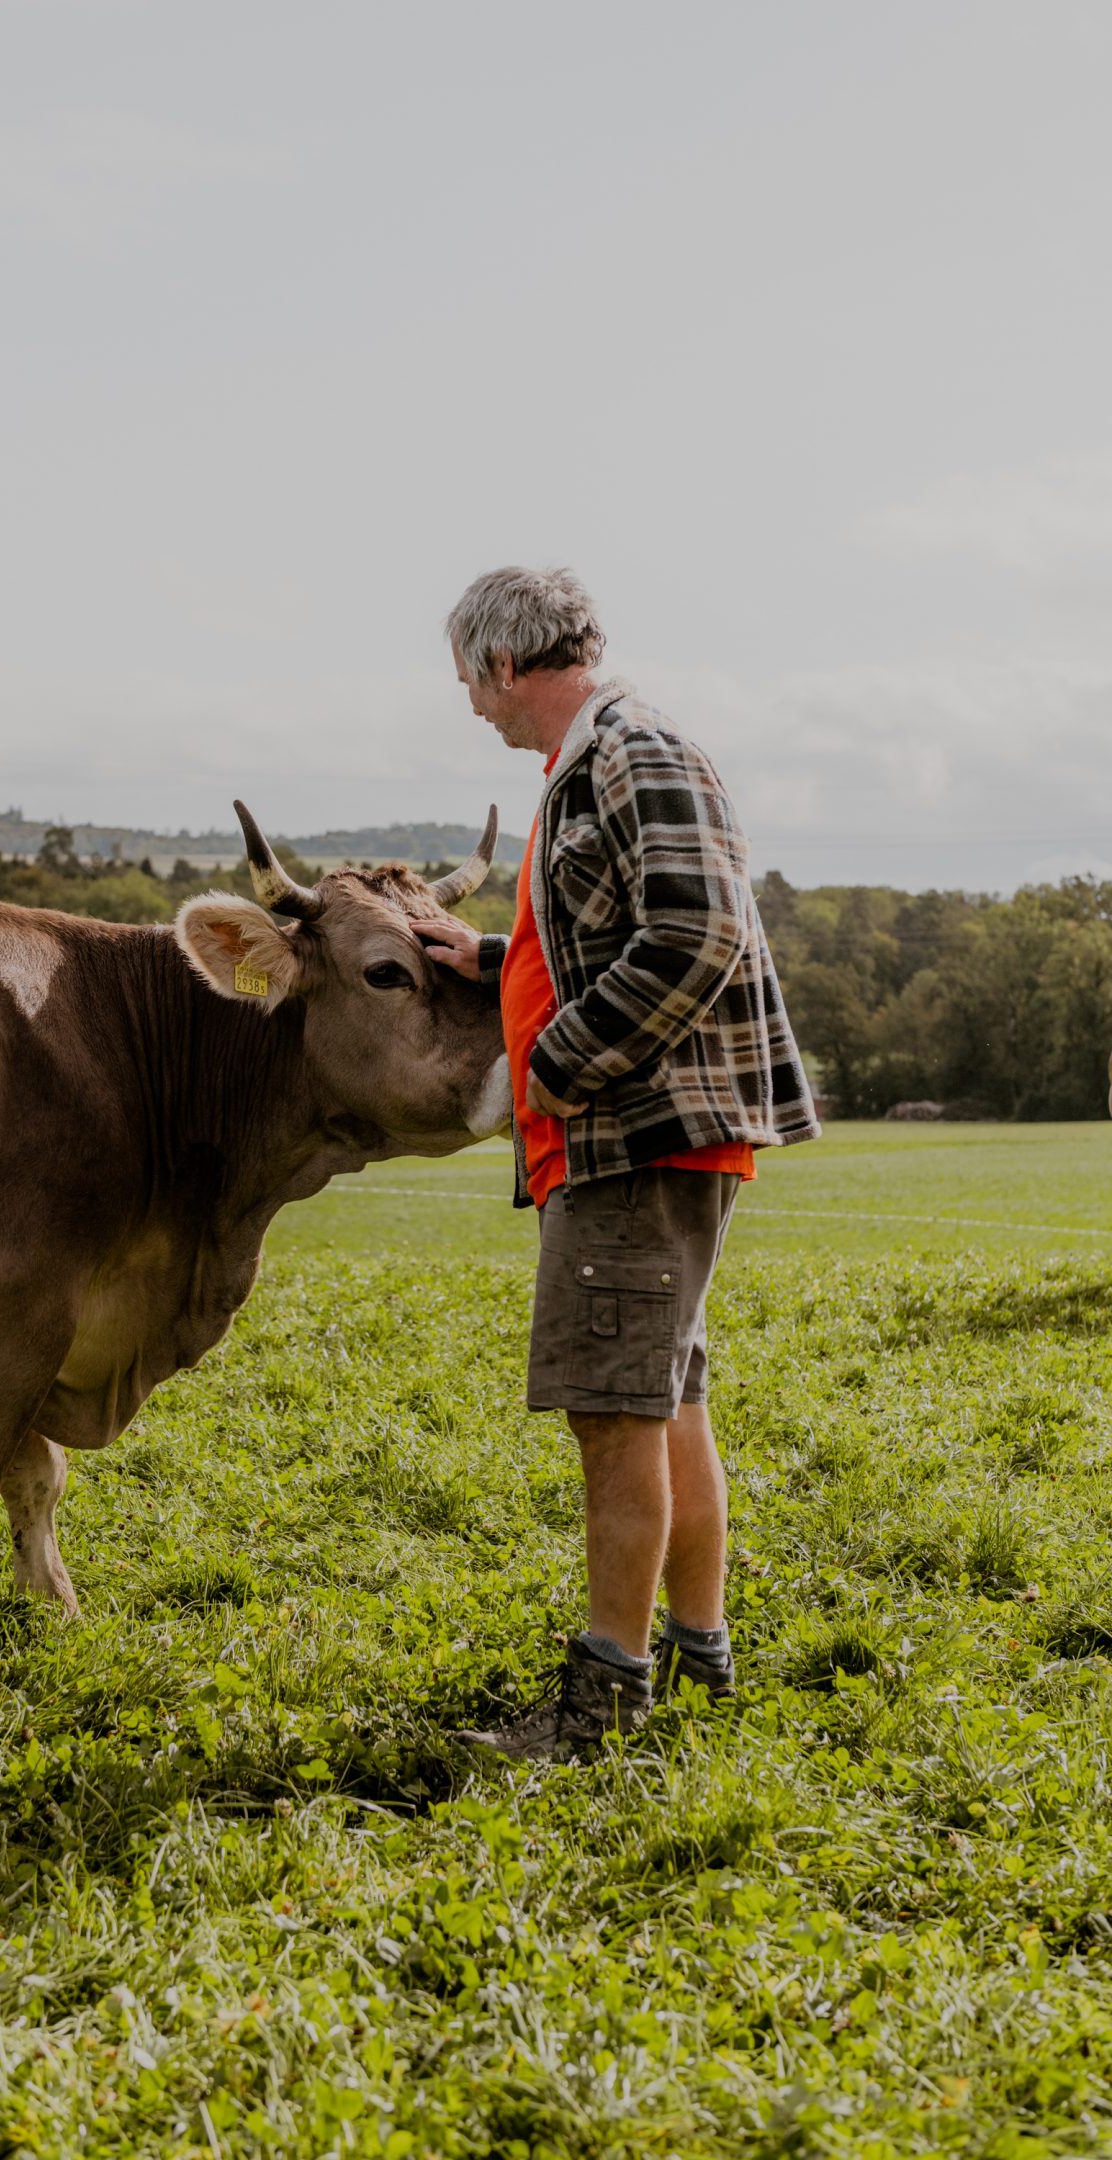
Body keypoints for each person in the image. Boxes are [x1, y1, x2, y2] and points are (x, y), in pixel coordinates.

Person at [412, 566, 819, 1760]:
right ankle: (697, 1659)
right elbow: (604, 931)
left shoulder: (635, 752)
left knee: (612, 1415)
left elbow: (698, 931)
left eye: (468, 684)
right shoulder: (593, 763)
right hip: (642, 1132)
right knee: (664, 1401)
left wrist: (555, 1062)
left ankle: (601, 1705)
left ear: (503, 664)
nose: (473, 709)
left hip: (636, 1134)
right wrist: (489, 953)